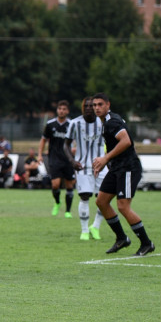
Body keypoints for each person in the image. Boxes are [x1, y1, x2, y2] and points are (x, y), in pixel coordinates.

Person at [91, 93, 155, 256]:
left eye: (100, 104)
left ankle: (147, 243)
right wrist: (104, 162)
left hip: (128, 168)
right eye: (94, 105)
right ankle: (122, 238)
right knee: (101, 201)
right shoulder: (106, 122)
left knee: (123, 206)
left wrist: (105, 158)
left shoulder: (112, 121)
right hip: (117, 168)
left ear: (108, 105)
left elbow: (126, 141)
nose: (96, 108)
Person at [64, 97, 107, 241]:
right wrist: (72, 161)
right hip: (82, 166)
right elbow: (66, 144)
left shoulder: (103, 123)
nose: (89, 108)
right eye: (86, 106)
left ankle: (95, 227)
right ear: (83, 107)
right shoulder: (75, 123)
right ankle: (84, 231)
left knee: (103, 199)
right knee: (85, 196)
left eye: (92, 106)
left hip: (101, 166)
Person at [38, 101, 75, 217]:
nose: (62, 111)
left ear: (67, 111)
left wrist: (76, 148)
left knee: (69, 186)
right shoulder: (50, 124)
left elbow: (76, 140)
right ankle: (57, 203)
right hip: (54, 158)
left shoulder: (72, 124)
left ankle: (68, 211)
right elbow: (43, 140)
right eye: (60, 109)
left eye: (64, 109)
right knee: (55, 185)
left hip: (68, 159)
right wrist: (39, 155)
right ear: (57, 110)